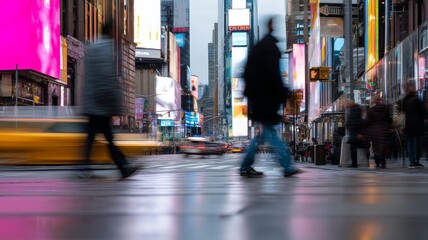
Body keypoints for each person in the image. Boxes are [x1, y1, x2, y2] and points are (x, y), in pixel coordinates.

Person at [239, 17, 300, 177]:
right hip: (265, 100)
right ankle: (286, 166)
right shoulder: (270, 48)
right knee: (270, 134)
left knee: (263, 135)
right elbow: (274, 76)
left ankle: (246, 166)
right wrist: (282, 94)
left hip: (258, 100)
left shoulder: (259, 47)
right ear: (271, 27)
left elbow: (248, 73)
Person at [81, 20, 138, 179]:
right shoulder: (106, 49)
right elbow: (107, 79)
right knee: (107, 138)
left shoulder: (92, 47)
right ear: (111, 30)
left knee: (92, 138)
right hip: (101, 104)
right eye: (115, 30)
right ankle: (123, 167)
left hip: (92, 102)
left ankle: (84, 167)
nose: (116, 33)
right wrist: (115, 105)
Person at [401, 82, 426, 168]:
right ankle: (416, 161)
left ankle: (412, 161)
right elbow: (425, 110)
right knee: (417, 144)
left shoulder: (404, 101)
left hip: (408, 126)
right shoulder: (416, 100)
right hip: (418, 125)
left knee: (410, 144)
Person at [365, 95, 392, 168]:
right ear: (380, 100)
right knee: (382, 146)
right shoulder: (385, 109)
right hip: (383, 129)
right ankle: (383, 162)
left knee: (376, 147)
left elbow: (368, 122)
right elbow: (388, 119)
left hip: (374, 131)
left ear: (374, 101)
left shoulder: (371, 110)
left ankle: (377, 162)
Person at [345, 99, 363, 168]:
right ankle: (354, 163)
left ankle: (354, 163)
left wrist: (358, 132)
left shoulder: (355, 110)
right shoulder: (354, 109)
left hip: (354, 133)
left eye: (347, 103)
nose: (346, 104)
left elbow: (356, 122)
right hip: (354, 133)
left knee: (354, 149)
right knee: (354, 148)